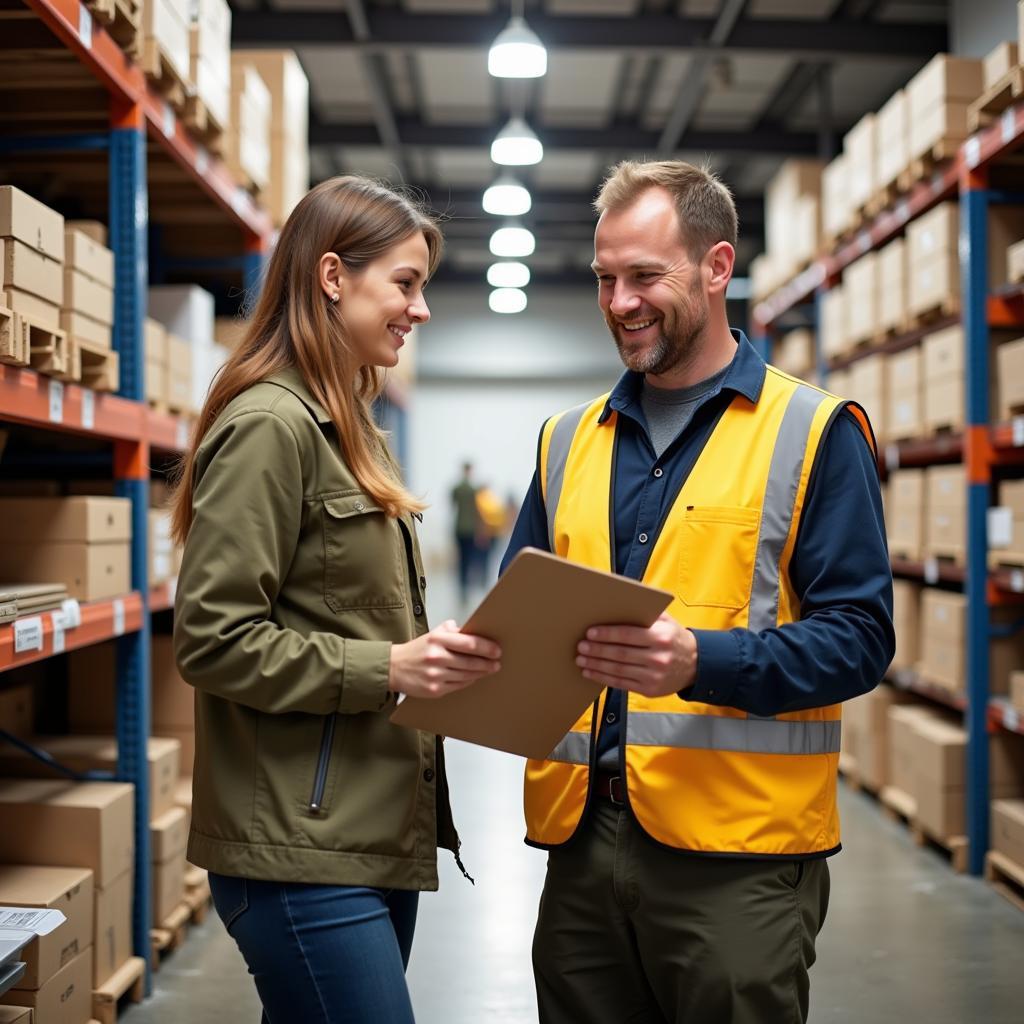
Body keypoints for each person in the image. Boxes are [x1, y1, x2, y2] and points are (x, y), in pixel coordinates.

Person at [501, 160, 895, 1024]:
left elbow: (861, 638)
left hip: (736, 861)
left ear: (717, 267)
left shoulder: (812, 431)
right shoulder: (566, 440)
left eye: (645, 276)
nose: (619, 302)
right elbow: (522, 612)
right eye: (606, 278)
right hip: (583, 849)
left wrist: (697, 659)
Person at [170, 176, 502, 1024]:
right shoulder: (271, 426)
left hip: (360, 829)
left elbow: (337, 611)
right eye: (405, 283)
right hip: (294, 845)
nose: (419, 310)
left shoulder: (348, 426)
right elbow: (211, 639)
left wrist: (430, 651)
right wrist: (390, 664)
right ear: (330, 277)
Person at [451, 461, 480, 603]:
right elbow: (477, 511)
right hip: (470, 529)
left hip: (459, 528)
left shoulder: (457, 488)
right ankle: (466, 584)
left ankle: (461, 585)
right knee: (468, 558)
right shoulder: (474, 490)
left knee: (461, 557)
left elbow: (453, 504)